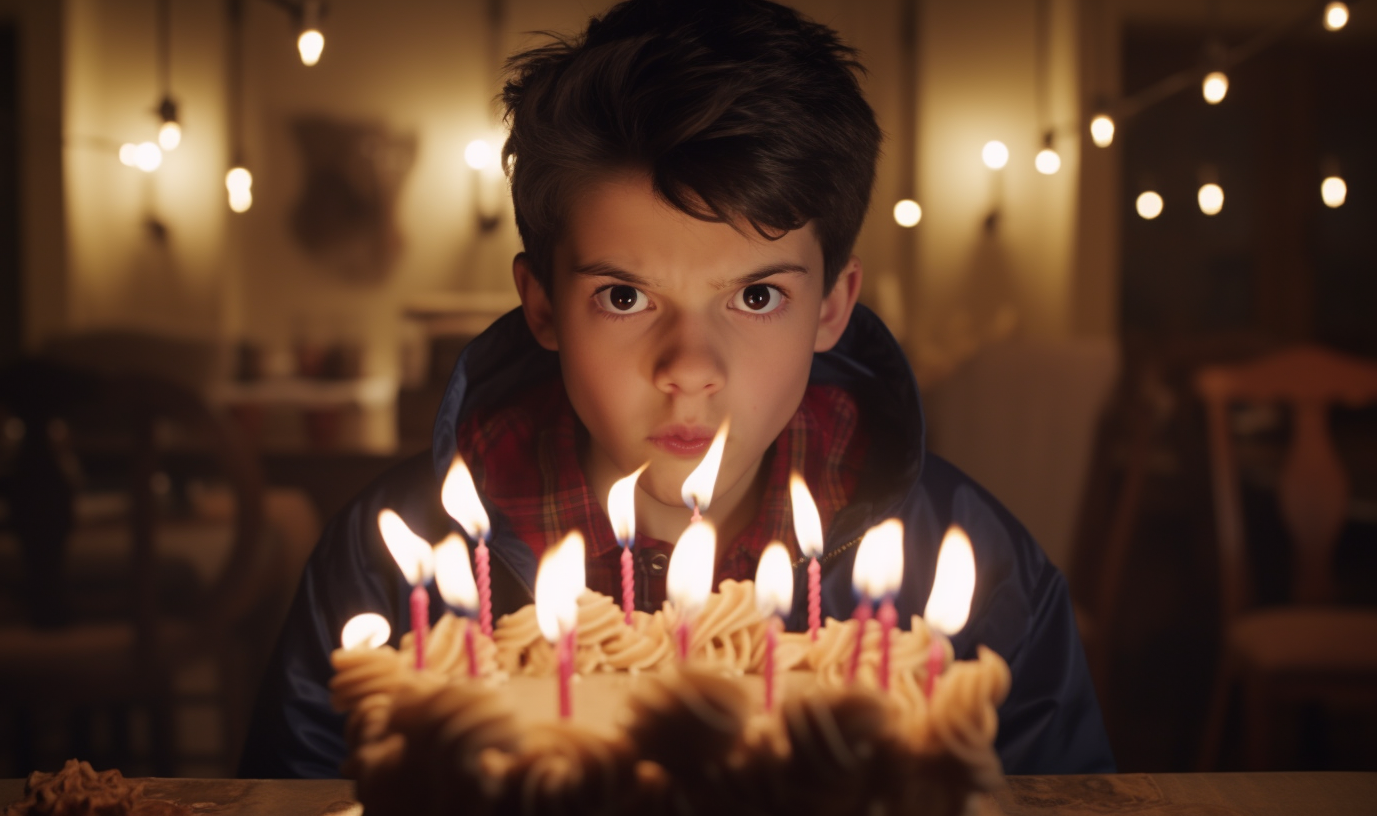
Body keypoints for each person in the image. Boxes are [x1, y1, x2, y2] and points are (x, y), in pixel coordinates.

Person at [239, 0, 1114, 778]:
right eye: (624, 296)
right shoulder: (390, 567)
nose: (689, 366)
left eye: (757, 295)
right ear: (541, 304)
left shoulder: (981, 571)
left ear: (833, 306)